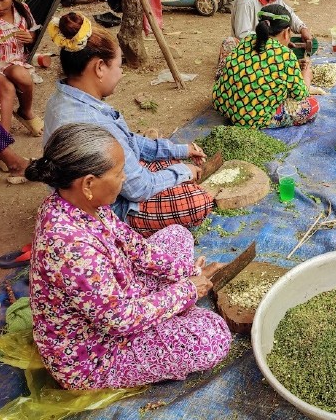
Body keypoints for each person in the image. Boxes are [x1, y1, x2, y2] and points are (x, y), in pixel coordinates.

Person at [26, 123, 231, 389]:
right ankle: (171, 315)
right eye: (118, 173)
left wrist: (187, 272)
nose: (124, 179)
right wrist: (187, 292)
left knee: (177, 236)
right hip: (97, 353)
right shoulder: (71, 249)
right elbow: (120, 320)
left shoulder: (81, 203)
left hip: (119, 294)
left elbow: (136, 247)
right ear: (88, 183)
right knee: (212, 336)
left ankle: (168, 311)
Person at [43, 12, 213, 237]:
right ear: (100, 67)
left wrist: (182, 150)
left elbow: (130, 141)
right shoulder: (92, 121)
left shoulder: (65, 97)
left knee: (168, 160)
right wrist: (184, 171)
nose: (121, 73)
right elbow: (139, 189)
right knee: (196, 202)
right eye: (119, 64)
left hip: (95, 187)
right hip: (104, 206)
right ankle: (124, 227)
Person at [213, 4, 318, 128]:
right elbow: (301, 95)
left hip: (226, 107)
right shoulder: (286, 55)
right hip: (253, 119)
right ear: (286, 32)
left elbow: (259, 62)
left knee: (230, 42)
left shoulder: (246, 40)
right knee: (312, 105)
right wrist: (306, 76)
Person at [0, 0, 43, 137]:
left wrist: (29, 38)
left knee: (23, 76)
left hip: (15, 60)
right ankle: (4, 141)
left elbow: (33, 32)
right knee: (8, 89)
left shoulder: (22, 9)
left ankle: (25, 111)